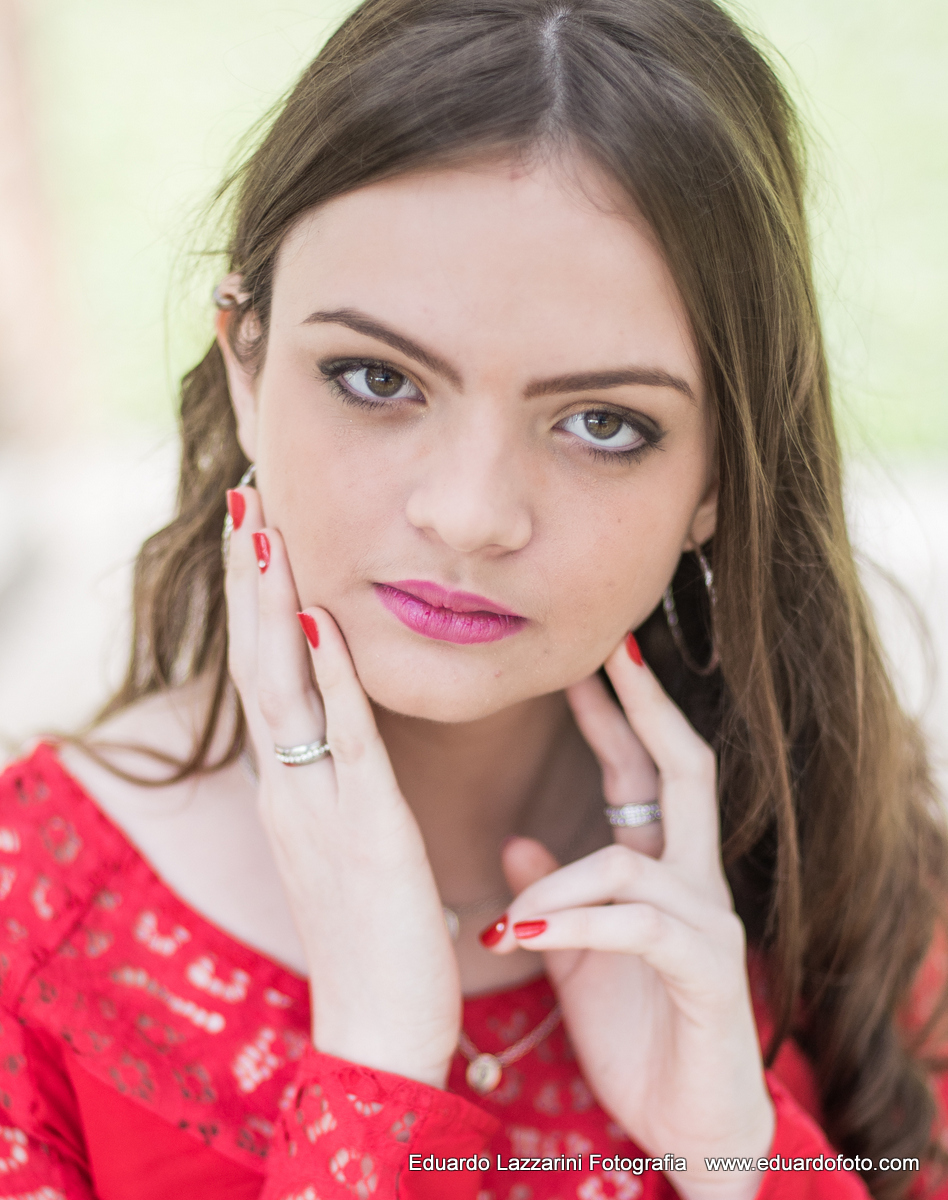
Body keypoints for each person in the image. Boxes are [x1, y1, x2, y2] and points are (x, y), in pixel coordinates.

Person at [1, 0, 946, 1196]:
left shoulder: (854, 886)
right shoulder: (28, 933)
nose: (471, 512)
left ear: (719, 476)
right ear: (246, 365)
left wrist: (735, 1156)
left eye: (603, 424)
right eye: (375, 377)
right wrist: (375, 1080)